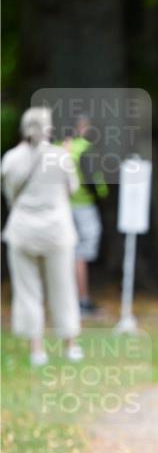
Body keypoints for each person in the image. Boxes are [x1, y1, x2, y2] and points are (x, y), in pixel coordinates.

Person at [1, 107, 83, 366]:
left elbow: (10, 196)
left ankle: (36, 350)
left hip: (22, 230)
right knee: (63, 288)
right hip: (57, 231)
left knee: (27, 291)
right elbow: (72, 189)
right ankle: (70, 345)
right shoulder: (60, 156)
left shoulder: (11, 158)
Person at [62, 113, 108, 317]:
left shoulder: (57, 148)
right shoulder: (85, 148)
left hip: (60, 208)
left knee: (65, 252)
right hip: (84, 206)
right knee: (81, 253)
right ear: (83, 127)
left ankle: (68, 300)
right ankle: (82, 300)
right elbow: (95, 180)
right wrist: (101, 194)